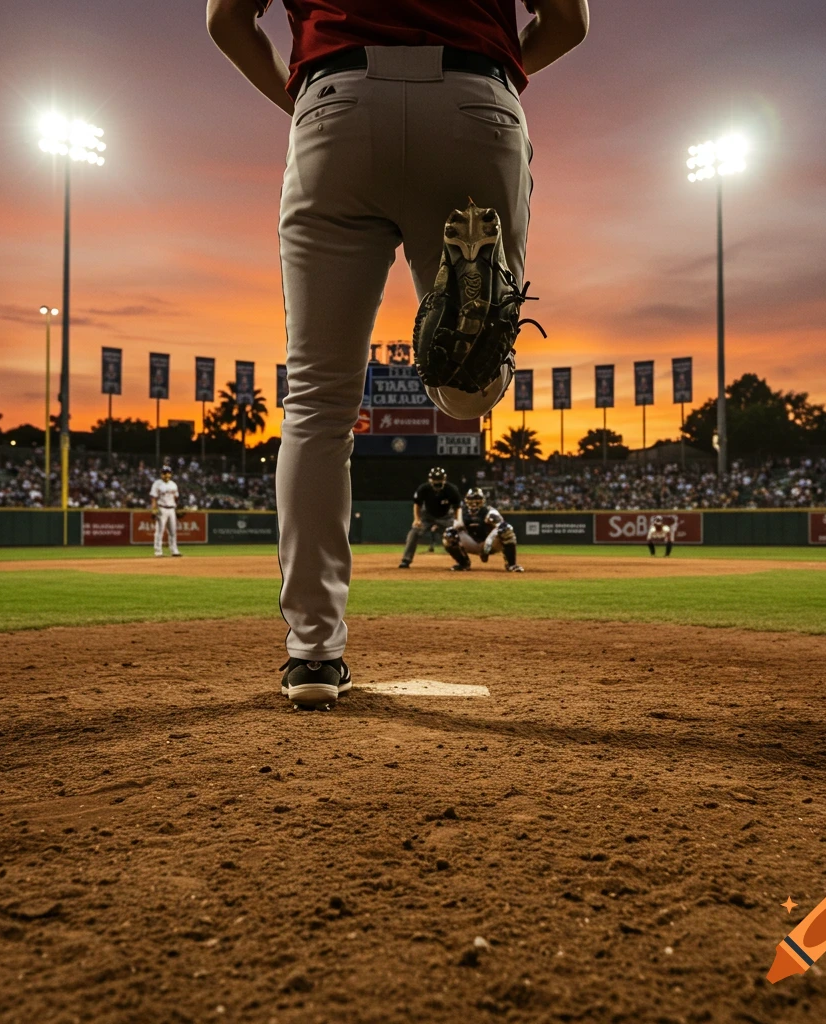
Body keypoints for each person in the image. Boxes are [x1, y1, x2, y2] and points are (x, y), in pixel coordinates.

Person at [206, 0, 589, 708]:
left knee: (317, 404)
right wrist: (494, 76)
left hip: (334, 102)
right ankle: (468, 351)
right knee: (469, 388)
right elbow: (569, 19)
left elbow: (227, 19)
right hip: (478, 99)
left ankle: (314, 656)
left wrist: (302, 101)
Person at [443, 487, 523, 572]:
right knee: (449, 534)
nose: (474, 502)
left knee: (506, 529)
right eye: (471, 499)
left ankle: (511, 564)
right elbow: (454, 529)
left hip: (490, 544)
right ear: (466, 500)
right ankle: (463, 564)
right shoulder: (461, 513)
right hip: (472, 544)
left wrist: (489, 541)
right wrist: (458, 525)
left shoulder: (490, 512)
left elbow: (501, 525)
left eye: (477, 498)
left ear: (483, 500)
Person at [399, 466, 462, 568]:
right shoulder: (424, 488)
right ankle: (406, 560)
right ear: (430, 480)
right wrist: (417, 519)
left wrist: (457, 520)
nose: (437, 482)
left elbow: (457, 507)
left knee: (454, 535)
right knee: (414, 532)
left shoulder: (451, 489)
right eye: (435, 480)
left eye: (439, 480)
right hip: (427, 516)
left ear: (444, 480)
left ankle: (462, 561)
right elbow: (417, 504)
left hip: (445, 517)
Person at [150, 466, 182, 558]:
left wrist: (178, 508)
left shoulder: (173, 484)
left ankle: (174, 550)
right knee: (159, 531)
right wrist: (154, 509)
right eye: (164, 473)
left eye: (168, 472)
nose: (166, 474)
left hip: (172, 509)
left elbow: (176, 497)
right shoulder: (157, 484)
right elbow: (154, 498)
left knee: (172, 531)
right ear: (161, 474)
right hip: (162, 508)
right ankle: (158, 551)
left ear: (171, 474)